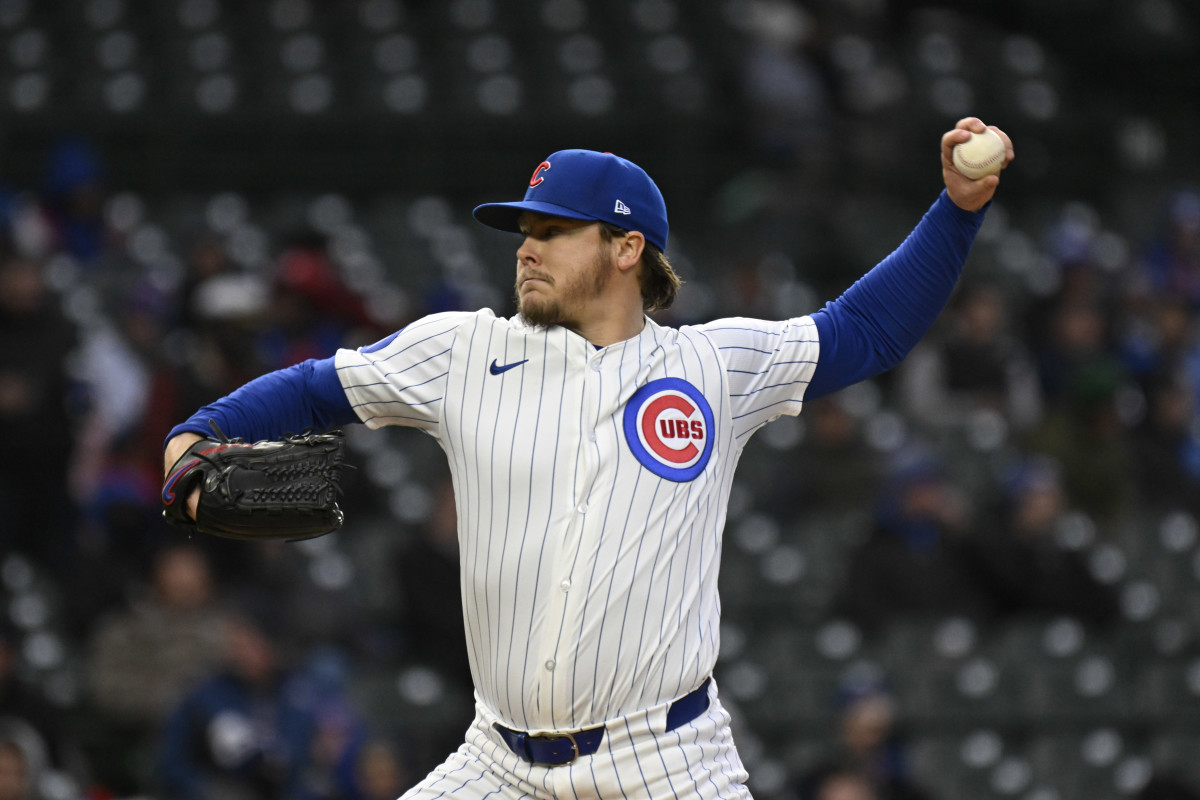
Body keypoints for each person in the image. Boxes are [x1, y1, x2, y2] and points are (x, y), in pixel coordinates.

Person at [164, 118, 1012, 799]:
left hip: (665, 762)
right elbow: (317, 387)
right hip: (498, 763)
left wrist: (957, 210)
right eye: (523, 231)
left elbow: (866, 331)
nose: (525, 248)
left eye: (553, 230)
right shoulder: (465, 352)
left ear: (626, 248)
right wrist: (200, 430)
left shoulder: (712, 368)